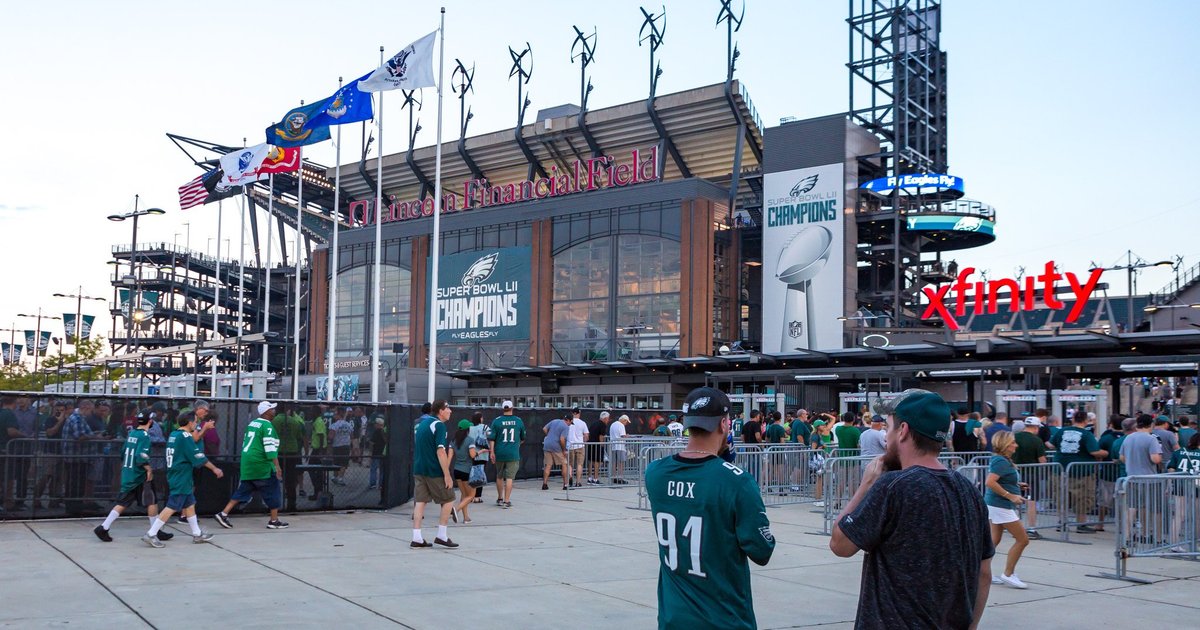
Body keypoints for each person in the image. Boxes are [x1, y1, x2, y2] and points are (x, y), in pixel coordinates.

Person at [830, 389, 992, 629]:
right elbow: (983, 573)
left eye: (889, 427)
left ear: (903, 431)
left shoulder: (893, 486)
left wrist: (867, 484)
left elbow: (840, 544)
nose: (886, 436)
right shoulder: (968, 490)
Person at [645, 387, 775, 629]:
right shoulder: (738, 481)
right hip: (724, 618)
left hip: (673, 618)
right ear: (725, 424)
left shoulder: (655, 473)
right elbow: (762, 550)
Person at [142, 413, 224, 547]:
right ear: (189, 423)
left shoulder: (174, 434)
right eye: (196, 422)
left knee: (190, 504)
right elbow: (197, 455)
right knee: (172, 506)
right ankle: (151, 533)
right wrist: (214, 468)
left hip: (177, 474)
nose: (197, 425)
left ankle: (197, 534)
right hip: (181, 476)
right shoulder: (185, 436)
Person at [94, 412, 174, 542]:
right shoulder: (144, 436)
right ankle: (156, 531)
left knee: (123, 502)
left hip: (129, 473)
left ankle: (104, 527)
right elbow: (140, 456)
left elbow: (123, 452)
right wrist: (148, 468)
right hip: (139, 476)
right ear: (150, 421)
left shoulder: (132, 434)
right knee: (152, 501)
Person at [214, 401, 288, 530]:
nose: (274, 411)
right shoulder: (267, 427)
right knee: (273, 490)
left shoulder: (252, 424)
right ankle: (274, 520)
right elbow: (270, 448)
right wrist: (277, 466)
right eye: (271, 409)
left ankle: (223, 513)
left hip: (248, 463)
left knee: (243, 489)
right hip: (261, 464)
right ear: (265, 412)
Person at [984, 432, 1030, 589]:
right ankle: (1008, 574)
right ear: (1005, 444)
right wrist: (1010, 496)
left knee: (993, 541)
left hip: (997, 504)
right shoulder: (1000, 461)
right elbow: (990, 482)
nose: (1016, 445)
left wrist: (1017, 485)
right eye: (1013, 443)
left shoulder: (1003, 461)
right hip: (1000, 505)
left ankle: (980, 571)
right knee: (1023, 539)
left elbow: (1001, 480)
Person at [1052, 411, 1108, 533]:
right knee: (1083, 498)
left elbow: (1050, 444)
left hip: (1060, 469)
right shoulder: (1086, 434)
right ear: (1086, 421)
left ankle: (1062, 523)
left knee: (1062, 497)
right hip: (1082, 472)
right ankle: (1081, 524)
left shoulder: (1061, 431)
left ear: (1073, 419)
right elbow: (1094, 451)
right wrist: (1106, 453)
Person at [412, 400, 457, 548]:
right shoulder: (439, 426)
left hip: (419, 468)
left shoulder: (423, 423)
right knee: (449, 499)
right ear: (440, 411)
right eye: (447, 408)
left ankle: (416, 538)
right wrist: (447, 475)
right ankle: (441, 535)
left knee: (420, 502)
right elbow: (440, 451)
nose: (450, 411)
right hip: (433, 470)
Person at [1119, 415, 1165, 540]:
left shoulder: (1128, 438)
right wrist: (1161, 458)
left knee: (1131, 508)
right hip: (1148, 479)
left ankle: (1126, 537)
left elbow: (1122, 458)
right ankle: (1157, 538)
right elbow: (1155, 459)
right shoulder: (1151, 439)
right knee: (1155, 509)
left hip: (1131, 478)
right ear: (1151, 424)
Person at [1012, 417, 1048, 540]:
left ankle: (1012, 526)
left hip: (1014, 472)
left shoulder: (1014, 437)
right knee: (1031, 501)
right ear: (1036, 427)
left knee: (1013, 499)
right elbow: (1042, 460)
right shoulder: (1036, 440)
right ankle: (1031, 528)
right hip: (1032, 474)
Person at [488, 400, 525, 508]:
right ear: (512, 408)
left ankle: (500, 498)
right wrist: (516, 444)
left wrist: (492, 451)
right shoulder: (518, 421)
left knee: (499, 476)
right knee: (509, 478)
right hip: (513, 453)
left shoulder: (497, 421)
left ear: (503, 408)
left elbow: (492, 438)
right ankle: (506, 500)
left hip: (499, 452)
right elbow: (523, 438)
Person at [272, 403, 307, 511]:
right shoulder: (294, 421)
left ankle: (273, 506)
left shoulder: (274, 421)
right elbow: (299, 437)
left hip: (278, 453)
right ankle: (292, 505)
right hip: (292, 453)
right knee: (291, 481)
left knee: (273, 479)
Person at [450, 419, 478, 524]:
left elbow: (450, 456)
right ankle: (455, 510)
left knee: (464, 494)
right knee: (471, 496)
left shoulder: (453, 441)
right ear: (467, 429)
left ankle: (466, 518)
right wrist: (478, 452)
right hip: (467, 471)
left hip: (457, 470)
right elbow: (472, 455)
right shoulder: (470, 440)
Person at [541, 415, 570, 490]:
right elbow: (562, 439)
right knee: (564, 464)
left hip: (547, 444)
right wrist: (564, 450)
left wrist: (549, 436)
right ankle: (565, 484)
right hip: (556, 446)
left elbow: (544, 428)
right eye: (570, 422)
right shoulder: (566, 426)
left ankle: (544, 484)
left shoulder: (554, 421)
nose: (570, 424)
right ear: (568, 420)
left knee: (548, 465)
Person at [466, 411, 489, 502]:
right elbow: (491, 436)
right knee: (480, 475)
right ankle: (477, 496)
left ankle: (471, 495)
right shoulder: (485, 427)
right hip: (482, 454)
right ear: (480, 419)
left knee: (472, 475)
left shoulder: (469, 428)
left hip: (471, 454)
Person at [566, 408, 589, 487]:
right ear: (579, 413)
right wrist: (584, 442)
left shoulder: (568, 422)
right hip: (580, 445)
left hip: (570, 445)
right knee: (579, 464)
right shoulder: (583, 423)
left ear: (572, 413)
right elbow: (586, 435)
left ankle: (570, 477)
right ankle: (578, 482)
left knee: (570, 464)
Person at [587, 411, 611, 485]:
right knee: (597, 462)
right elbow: (601, 436)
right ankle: (595, 479)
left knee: (591, 461)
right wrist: (602, 445)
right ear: (605, 418)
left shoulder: (594, 423)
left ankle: (589, 478)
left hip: (590, 444)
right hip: (597, 445)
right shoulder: (602, 425)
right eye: (608, 419)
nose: (608, 420)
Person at [610, 414, 631, 484]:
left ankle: (614, 477)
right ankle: (620, 478)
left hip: (613, 446)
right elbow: (623, 436)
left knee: (614, 463)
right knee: (621, 463)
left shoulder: (613, 424)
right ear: (624, 420)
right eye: (626, 422)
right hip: (620, 446)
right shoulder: (621, 425)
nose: (626, 424)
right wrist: (628, 436)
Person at [368, 417, 387, 490]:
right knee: (382, 470)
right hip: (383, 453)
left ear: (378, 424)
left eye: (375, 424)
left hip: (376, 453)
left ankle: (373, 484)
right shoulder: (384, 431)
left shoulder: (376, 431)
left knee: (374, 469)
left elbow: (372, 443)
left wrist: (370, 452)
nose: (374, 425)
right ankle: (381, 484)